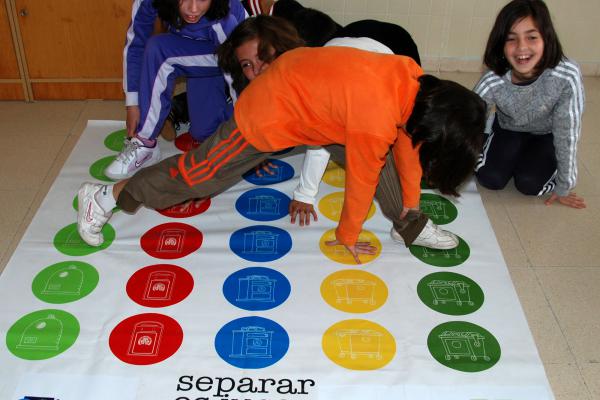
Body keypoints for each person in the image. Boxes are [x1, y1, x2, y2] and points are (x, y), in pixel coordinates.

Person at [77, 46, 486, 264]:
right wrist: (347, 236)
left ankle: (408, 224)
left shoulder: (414, 83)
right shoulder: (376, 119)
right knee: (197, 176)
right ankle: (105, 197)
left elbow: (409, 150)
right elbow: (361, 180)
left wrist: (411, 205)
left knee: (385, 163)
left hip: (320, 101)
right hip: (271, 111)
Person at [218, 16, 460, 251]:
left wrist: (411, 202)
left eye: (263, 58)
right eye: (247, 65)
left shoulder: (373, 96)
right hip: (346, 46)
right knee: (363, 138)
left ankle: (410, 225)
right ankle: (409, 217)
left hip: (394, 43)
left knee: (393, 145)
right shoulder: (287, 80)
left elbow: (361, 160)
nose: (257, 69)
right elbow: (315, 134)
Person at [106, 0, 247, 180]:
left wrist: (248, 134)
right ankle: (179, 107)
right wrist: (133, 102)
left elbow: (237, 71)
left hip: (233, 55)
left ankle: (145, 142)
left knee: (160, 51)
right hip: (196, 52)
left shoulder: (225, 17)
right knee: (203, 133)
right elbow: (136, 44)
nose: (193, 9)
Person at [473, 0, 585, 209]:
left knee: (530, 184)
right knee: (490, 178)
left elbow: (567, 131)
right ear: (501, 44)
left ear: (546, 38)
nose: (522, 47)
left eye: (532, 37)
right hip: (507, 128)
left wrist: (564, 185)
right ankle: (494, 139)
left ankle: (529, 160)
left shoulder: (566, 75)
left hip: (546, 134)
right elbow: (467, 123)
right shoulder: (493, 78)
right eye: (511, 39)